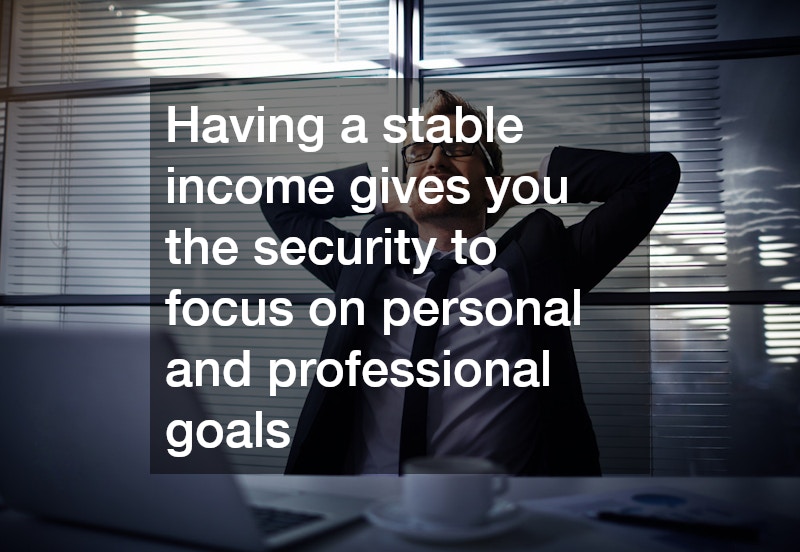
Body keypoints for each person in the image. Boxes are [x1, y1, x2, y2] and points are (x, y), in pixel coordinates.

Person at [260, 90, 680, 475]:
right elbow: (279, 201)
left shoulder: (542, 268)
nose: (435, 161)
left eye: (458, 150)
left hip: (503, 525)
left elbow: (654, 175)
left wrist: (522, 187)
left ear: (490, 180)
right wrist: (385, 196)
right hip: (367, 517)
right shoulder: (365, 267)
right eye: (419, 152)